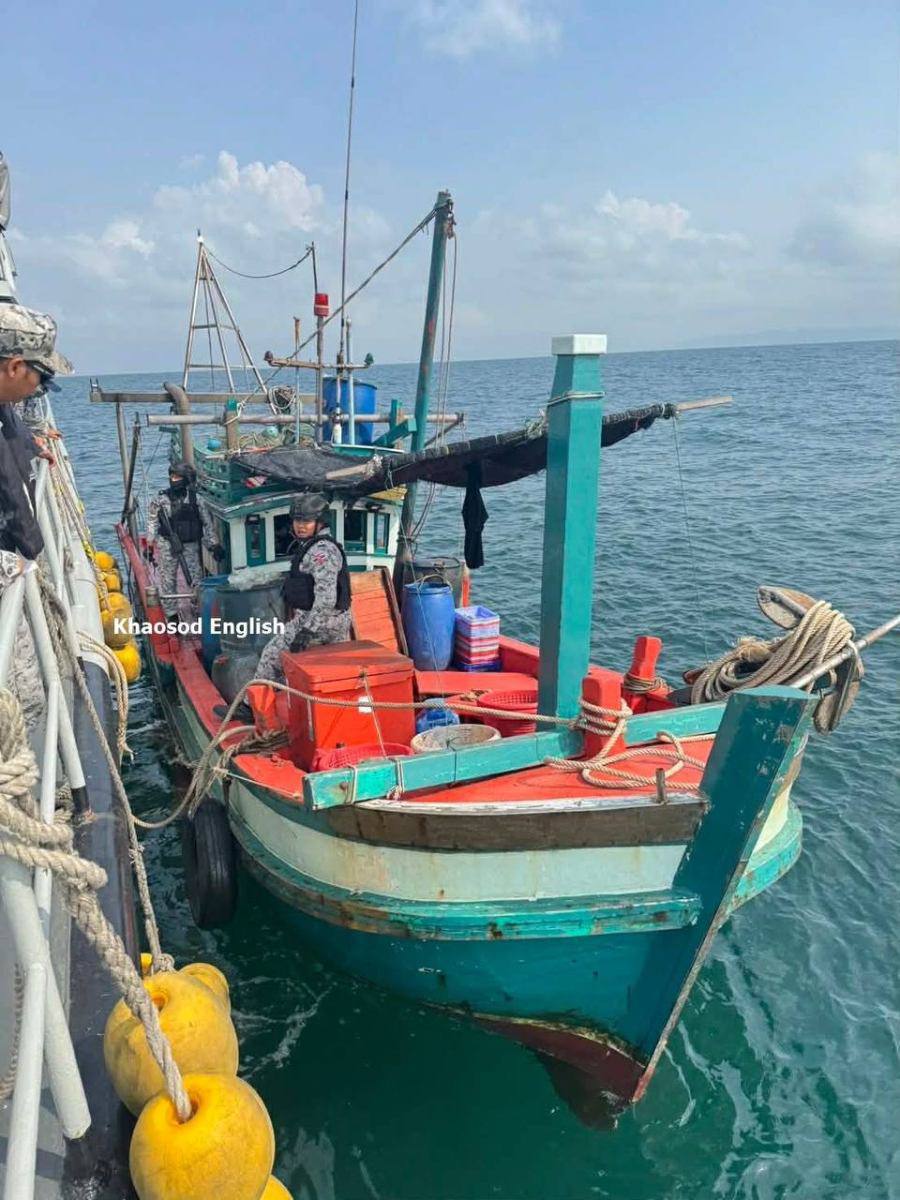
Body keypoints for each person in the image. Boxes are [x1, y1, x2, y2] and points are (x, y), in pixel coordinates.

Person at [0, 303, 72, 724]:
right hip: (8, 571)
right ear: (14, 366)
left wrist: (31, 443)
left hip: (18, 562)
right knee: (21, 706)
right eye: (41, 376)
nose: (39, 388)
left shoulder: (5, 408)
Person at [256, 493, 352, 683]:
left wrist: (307, 631)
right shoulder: (312, 546)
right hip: (332, 621)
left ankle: (252, 700)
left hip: (321, 622)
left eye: (307, 521)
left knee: (270, 657)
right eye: (297, 521)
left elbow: (326, 598)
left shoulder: (321, 551)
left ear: (320, 523)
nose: (300, 526)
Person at [147, 461, 207, 619]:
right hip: (168, 544)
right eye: (171, 476)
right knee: (168, 579)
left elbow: (206, 522)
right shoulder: (161, 499)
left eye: (177, 477)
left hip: (190, 545)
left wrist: (214, 544)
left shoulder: (195, 499)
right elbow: (152, 522)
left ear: (185, 479)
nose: (173, 480)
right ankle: (172, 615)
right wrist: (150, 543)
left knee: (195, 578)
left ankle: (198, 607)